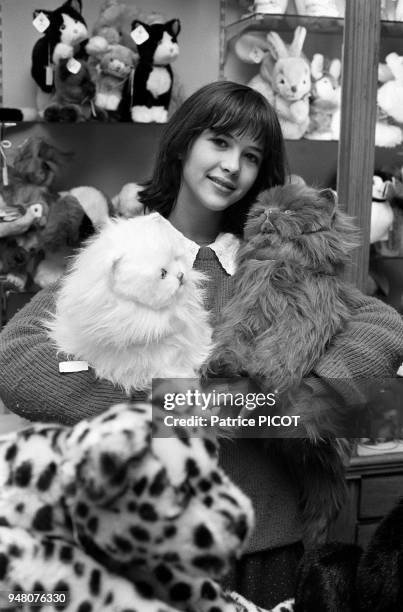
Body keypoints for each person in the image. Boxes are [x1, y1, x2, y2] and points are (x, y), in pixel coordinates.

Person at [1, 81, 403, 609]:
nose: (232, 165)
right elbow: (17, 353)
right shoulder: (129, 247)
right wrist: (163, 408)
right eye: (219, 141)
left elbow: (384, 325)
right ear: (184, 143)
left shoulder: (273, 259)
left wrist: (294, 398)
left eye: (252, 155)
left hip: (270, 540)